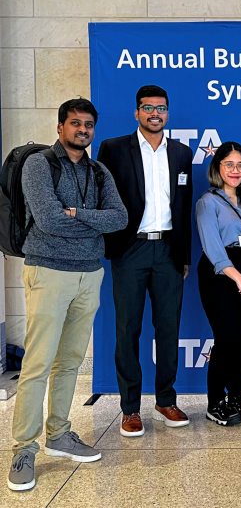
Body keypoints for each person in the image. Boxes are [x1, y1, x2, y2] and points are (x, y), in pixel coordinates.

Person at [8, 99, 127, 491]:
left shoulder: (98, 170)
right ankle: (24, 448)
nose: (83, 130)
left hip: (89, 275)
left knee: (70, 361)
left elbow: (120, 218)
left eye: (89, 124)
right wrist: (84, 221)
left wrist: (77, 215)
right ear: (60, 127)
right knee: (38, 363)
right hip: (48, 272)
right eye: (75, 123)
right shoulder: (39, 164)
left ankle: (59, 434)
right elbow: (48, 218)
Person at [97, 85, 193, 437]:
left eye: (161, 108)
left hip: (168, 251)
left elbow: (183, 207)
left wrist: (184, 256)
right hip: (130, 249)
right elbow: (101, 198)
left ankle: (166, 400)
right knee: (128, 330)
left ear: (168, 113)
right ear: (136, 112)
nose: (155, 113)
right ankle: (129, 408)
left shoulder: (182, 153)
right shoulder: (114, 149)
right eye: (148, 108)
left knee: (169, 329)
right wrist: (111, 246)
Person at [196, 142, 241, 426]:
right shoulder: (207, 202)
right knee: (226, 339)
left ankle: (237, 396)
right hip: (221, 276)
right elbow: (213, 249)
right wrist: (239, 279)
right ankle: (215, 402)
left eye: (240, 165)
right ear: (218, 168)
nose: (235, 171)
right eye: (229, 165)